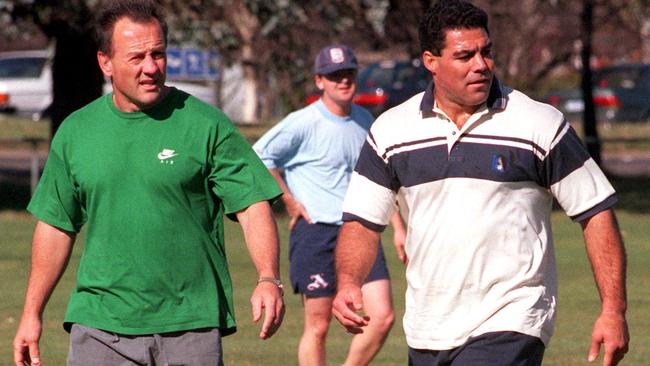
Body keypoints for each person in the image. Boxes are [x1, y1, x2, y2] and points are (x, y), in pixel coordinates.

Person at [332, 1, 629, 366]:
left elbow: (595, 211)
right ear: (431, 61)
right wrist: (348, 282)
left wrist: (613, 310)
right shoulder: (391, 131)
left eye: (486, 52)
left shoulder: (539, 124)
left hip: (512, 317)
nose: (480, 65)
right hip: (428, 326)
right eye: (464, 55)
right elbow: (362, 221)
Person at [12, 1, 284, 365]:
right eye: (136, 57)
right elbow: (56, 226)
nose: (151, 68)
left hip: (189, 324)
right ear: (105, 62)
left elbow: (252, 205)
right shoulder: (76, 131)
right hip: (99, 326)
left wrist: (269, 277)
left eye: (158, 54)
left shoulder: (206, 124)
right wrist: (31, 313)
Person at [253, 45, 403, 366]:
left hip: (360, 230)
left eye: (348, 73)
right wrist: (290, 201)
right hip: (316, 232)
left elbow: (381, 179)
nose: (343, 81)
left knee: (383, 316)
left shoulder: (366, 121)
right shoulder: (302, 122)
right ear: (320, 81)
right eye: (335, 76)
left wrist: (399, 227)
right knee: (318, 326)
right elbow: (260, 157)